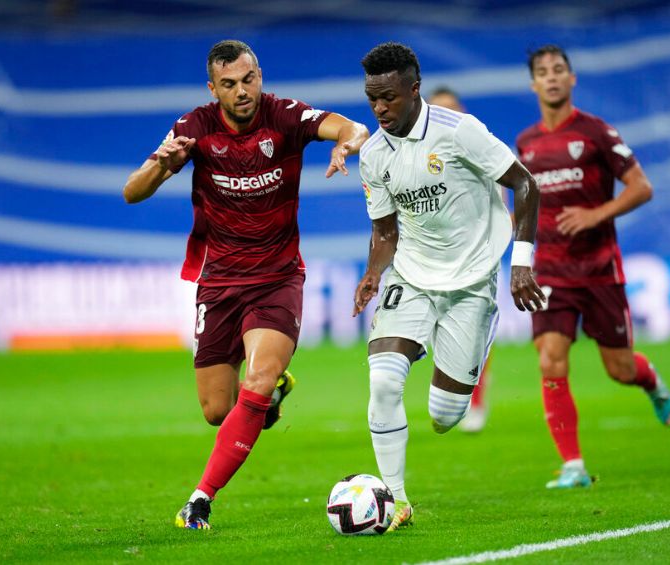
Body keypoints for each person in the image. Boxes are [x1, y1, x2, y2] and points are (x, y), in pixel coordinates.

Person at [122, 39, 369, 530]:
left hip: (277, 280)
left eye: (249, 79)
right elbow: (133, 192)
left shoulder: (284, 116)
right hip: (219, 284)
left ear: (260, 75)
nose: (242, 91)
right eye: (230, 84)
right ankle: (269, 399)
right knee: (218, 410)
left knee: (255, 380)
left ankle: (200, 498)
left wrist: (347, 142)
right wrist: (163, 165)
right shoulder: (194, 128)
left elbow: (350, 125)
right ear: (213, 89)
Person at [353, 42, 545, 530]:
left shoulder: (461, 132)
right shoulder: (374, 154)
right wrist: (374, 272)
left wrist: (521, 263)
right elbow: (386, 230)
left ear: (414, 90)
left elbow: (525, 184)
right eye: (372, 99)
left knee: (444, 415)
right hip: (412, 276)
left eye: (389, 98)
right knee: (383, 379)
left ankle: (468, 346)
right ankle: (394, 502)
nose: (379, 109)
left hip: (472, 280)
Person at [516, 44, 670, 489]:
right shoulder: (526, 145)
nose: (551, 77)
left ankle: (651, 382)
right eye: (542, 72)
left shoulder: (596, 133)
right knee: (551, 360)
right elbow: (525, 205)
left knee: (619, 369)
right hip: (549, 273)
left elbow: (641, 187)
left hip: (599, 269)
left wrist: (595, 214)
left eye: (559, 70)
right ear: (533, 84)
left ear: (572, 79)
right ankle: (573, 466)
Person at [427, 86, 493, 433]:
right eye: (439, 111)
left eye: (452, 110)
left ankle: (475, 400)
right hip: (430, 260)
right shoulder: (418, 155)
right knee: (439, 335)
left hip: (474, 259)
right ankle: (452, 397)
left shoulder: (479, 149)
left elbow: (500, 201)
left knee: (474, 331)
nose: (446, 117)